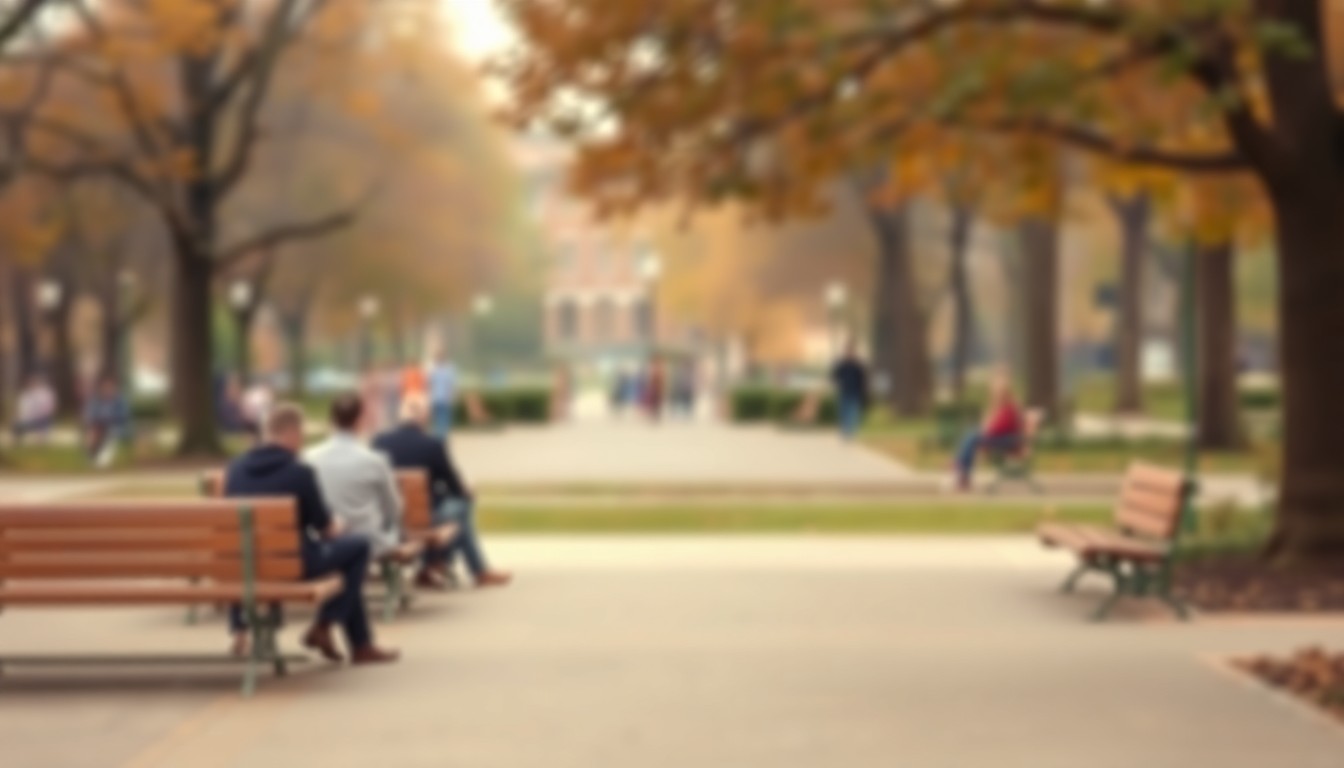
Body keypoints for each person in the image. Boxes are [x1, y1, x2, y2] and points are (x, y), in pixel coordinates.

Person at [223, 403, 399, 664]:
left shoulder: (235, 468)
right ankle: (328, 627)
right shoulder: (300, 472)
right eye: (302, 434)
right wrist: (339, 525)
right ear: (292, 433)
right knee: (357, 548)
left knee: (341, 560)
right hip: (292, 564)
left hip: (245, 565)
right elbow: (325, 529)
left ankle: (243, 629)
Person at [374, 393, 511, 590]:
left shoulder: (379, 442)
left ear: (400, 416)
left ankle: (439, 567)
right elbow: (455, 487)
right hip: (423, 518)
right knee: (463, 505)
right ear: (424, 417)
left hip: (389, 518)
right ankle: (443, 564)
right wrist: (467, 491)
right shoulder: (433, 445)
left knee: (457, 513)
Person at [305, 393, 404, 559]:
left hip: (323, 540)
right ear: (360, 422)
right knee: (392, 530)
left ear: (331, 421)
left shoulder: (308, 457)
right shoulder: (376, 461)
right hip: (368, 541)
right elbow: (394, 509)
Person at [954, 373, 1026, 490]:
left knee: (972, 437)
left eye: (997, 390)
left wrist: (986, 428)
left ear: (1005, 391)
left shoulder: (1010, 407)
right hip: (1001, 439)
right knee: (971, 435)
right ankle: (962, 472)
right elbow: (989, 425)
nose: (995, 393)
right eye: (994, 390)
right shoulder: (999, 406)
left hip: (1009, 442)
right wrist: (986, 425)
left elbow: (999, 428)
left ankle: (961, 469)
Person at [83, 375, 130, 467]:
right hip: (98, 426)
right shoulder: (95, 400)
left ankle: (102, 460)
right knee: (91, 434)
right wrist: (95, 425)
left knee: (111, 435)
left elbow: (123, 417)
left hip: (115, 427)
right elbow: (90, 415)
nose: (108, 390)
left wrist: (108, 420)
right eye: (105, 387)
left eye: (110, 387)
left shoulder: (120, 401)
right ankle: (90, 457)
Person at [830, 342, 870, 441]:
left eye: (851, 351)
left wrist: (863, 391)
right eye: (848, 351)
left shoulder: (858, 365)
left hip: (855, 391)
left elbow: (863, 378)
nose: (849, 353)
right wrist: (838, 383)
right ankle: (845, 431)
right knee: (843, 412)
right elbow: (834, 376)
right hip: (844, 391)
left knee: (853, 412)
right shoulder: (842, 364)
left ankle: (850, 432)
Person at [11, 373, 57, 444]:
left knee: (43, 421)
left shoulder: (45, 393)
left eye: (35, 382)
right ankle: (18, 440)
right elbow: (22, 409)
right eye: (31, 383)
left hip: (41, 418)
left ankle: (41, 437)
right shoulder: (25, 395)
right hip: (29, 419)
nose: (33, 384)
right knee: (16, 424)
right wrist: (19, 417)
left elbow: (49, 408)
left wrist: (42, 414)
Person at [426, 350, 458, 439]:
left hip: (441, 397)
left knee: (442, 418)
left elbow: (451, 384)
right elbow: (429, 384)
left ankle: (440, 435)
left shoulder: (443, 369)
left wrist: (453, 395)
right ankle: (440, 435)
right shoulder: (445, 369)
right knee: (440, 418)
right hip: (438, 397)